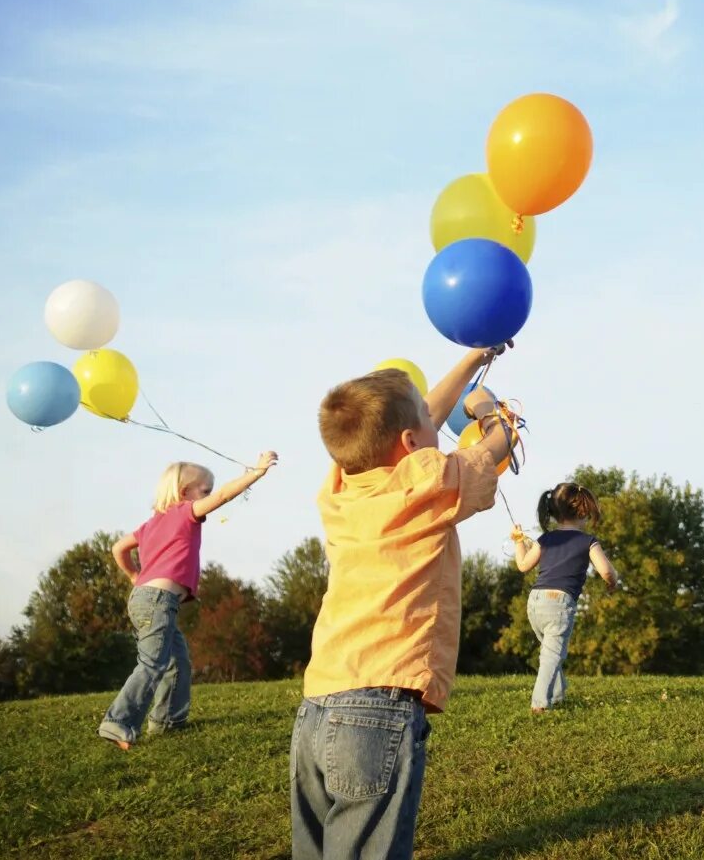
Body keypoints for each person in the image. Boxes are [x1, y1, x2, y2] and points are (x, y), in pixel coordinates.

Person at [290, 345, 516, 859]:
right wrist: (494, 415)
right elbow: (492, 451)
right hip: (379, 707)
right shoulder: (428, 484)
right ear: (412, 443)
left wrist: (471, 360)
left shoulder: (340, 487)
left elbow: (420, 421)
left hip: (317, 705)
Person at [98, 453, 277, 749]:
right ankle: (118, 722)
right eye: (203, 491)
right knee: (152, 663)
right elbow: (222, 496)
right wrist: (256, 473)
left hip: (147, 599)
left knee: (177, 662)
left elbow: (119, 547)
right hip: (158, 600)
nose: (207, 496)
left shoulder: (151, 524)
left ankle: (169, 721)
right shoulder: (185, 512)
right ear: (184, 494)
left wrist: (133, 575)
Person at [511, 481, 619, 713]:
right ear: (582, 510)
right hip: (559, 604)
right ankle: (539, 704)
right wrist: (613, 582)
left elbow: (522, 565)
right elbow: (606, 571)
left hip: (535, 602)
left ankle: (559, 695)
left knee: (551, 651)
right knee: (551, 655)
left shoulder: (545, 539)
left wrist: (519, 542)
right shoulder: (588, 541)